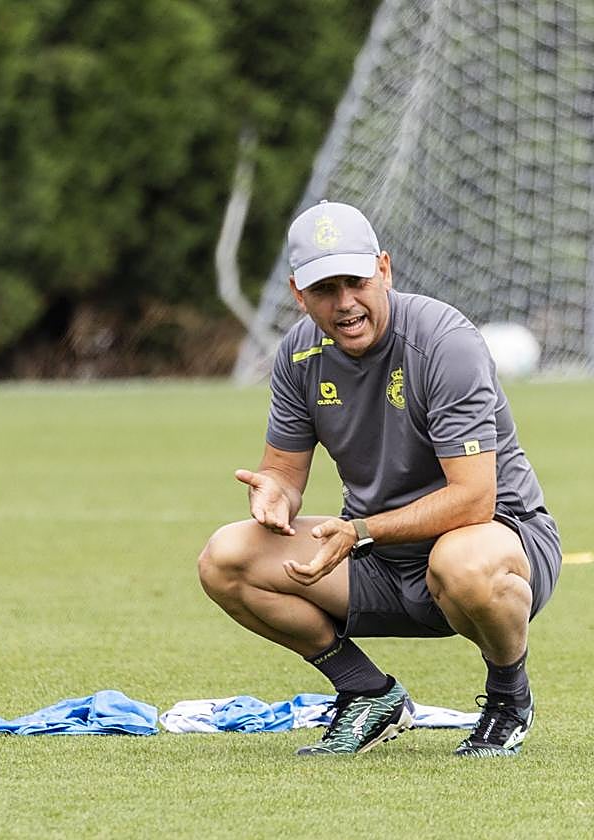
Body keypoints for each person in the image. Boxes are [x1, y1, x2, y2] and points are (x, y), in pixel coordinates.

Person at [198, 200, 561, 757]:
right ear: (298, 293)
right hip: (380, 557)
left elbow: (473, 499)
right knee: (225, 558)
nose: (345, 303)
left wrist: (361, 531)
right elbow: (285, 473)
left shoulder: (445, 342)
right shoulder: (298, 354)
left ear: (384, 270)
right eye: (324, 289)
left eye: (356, 281)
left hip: (495, 541)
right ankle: (367, 692)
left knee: (462, 563)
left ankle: (509, 696)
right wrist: (274, 492)